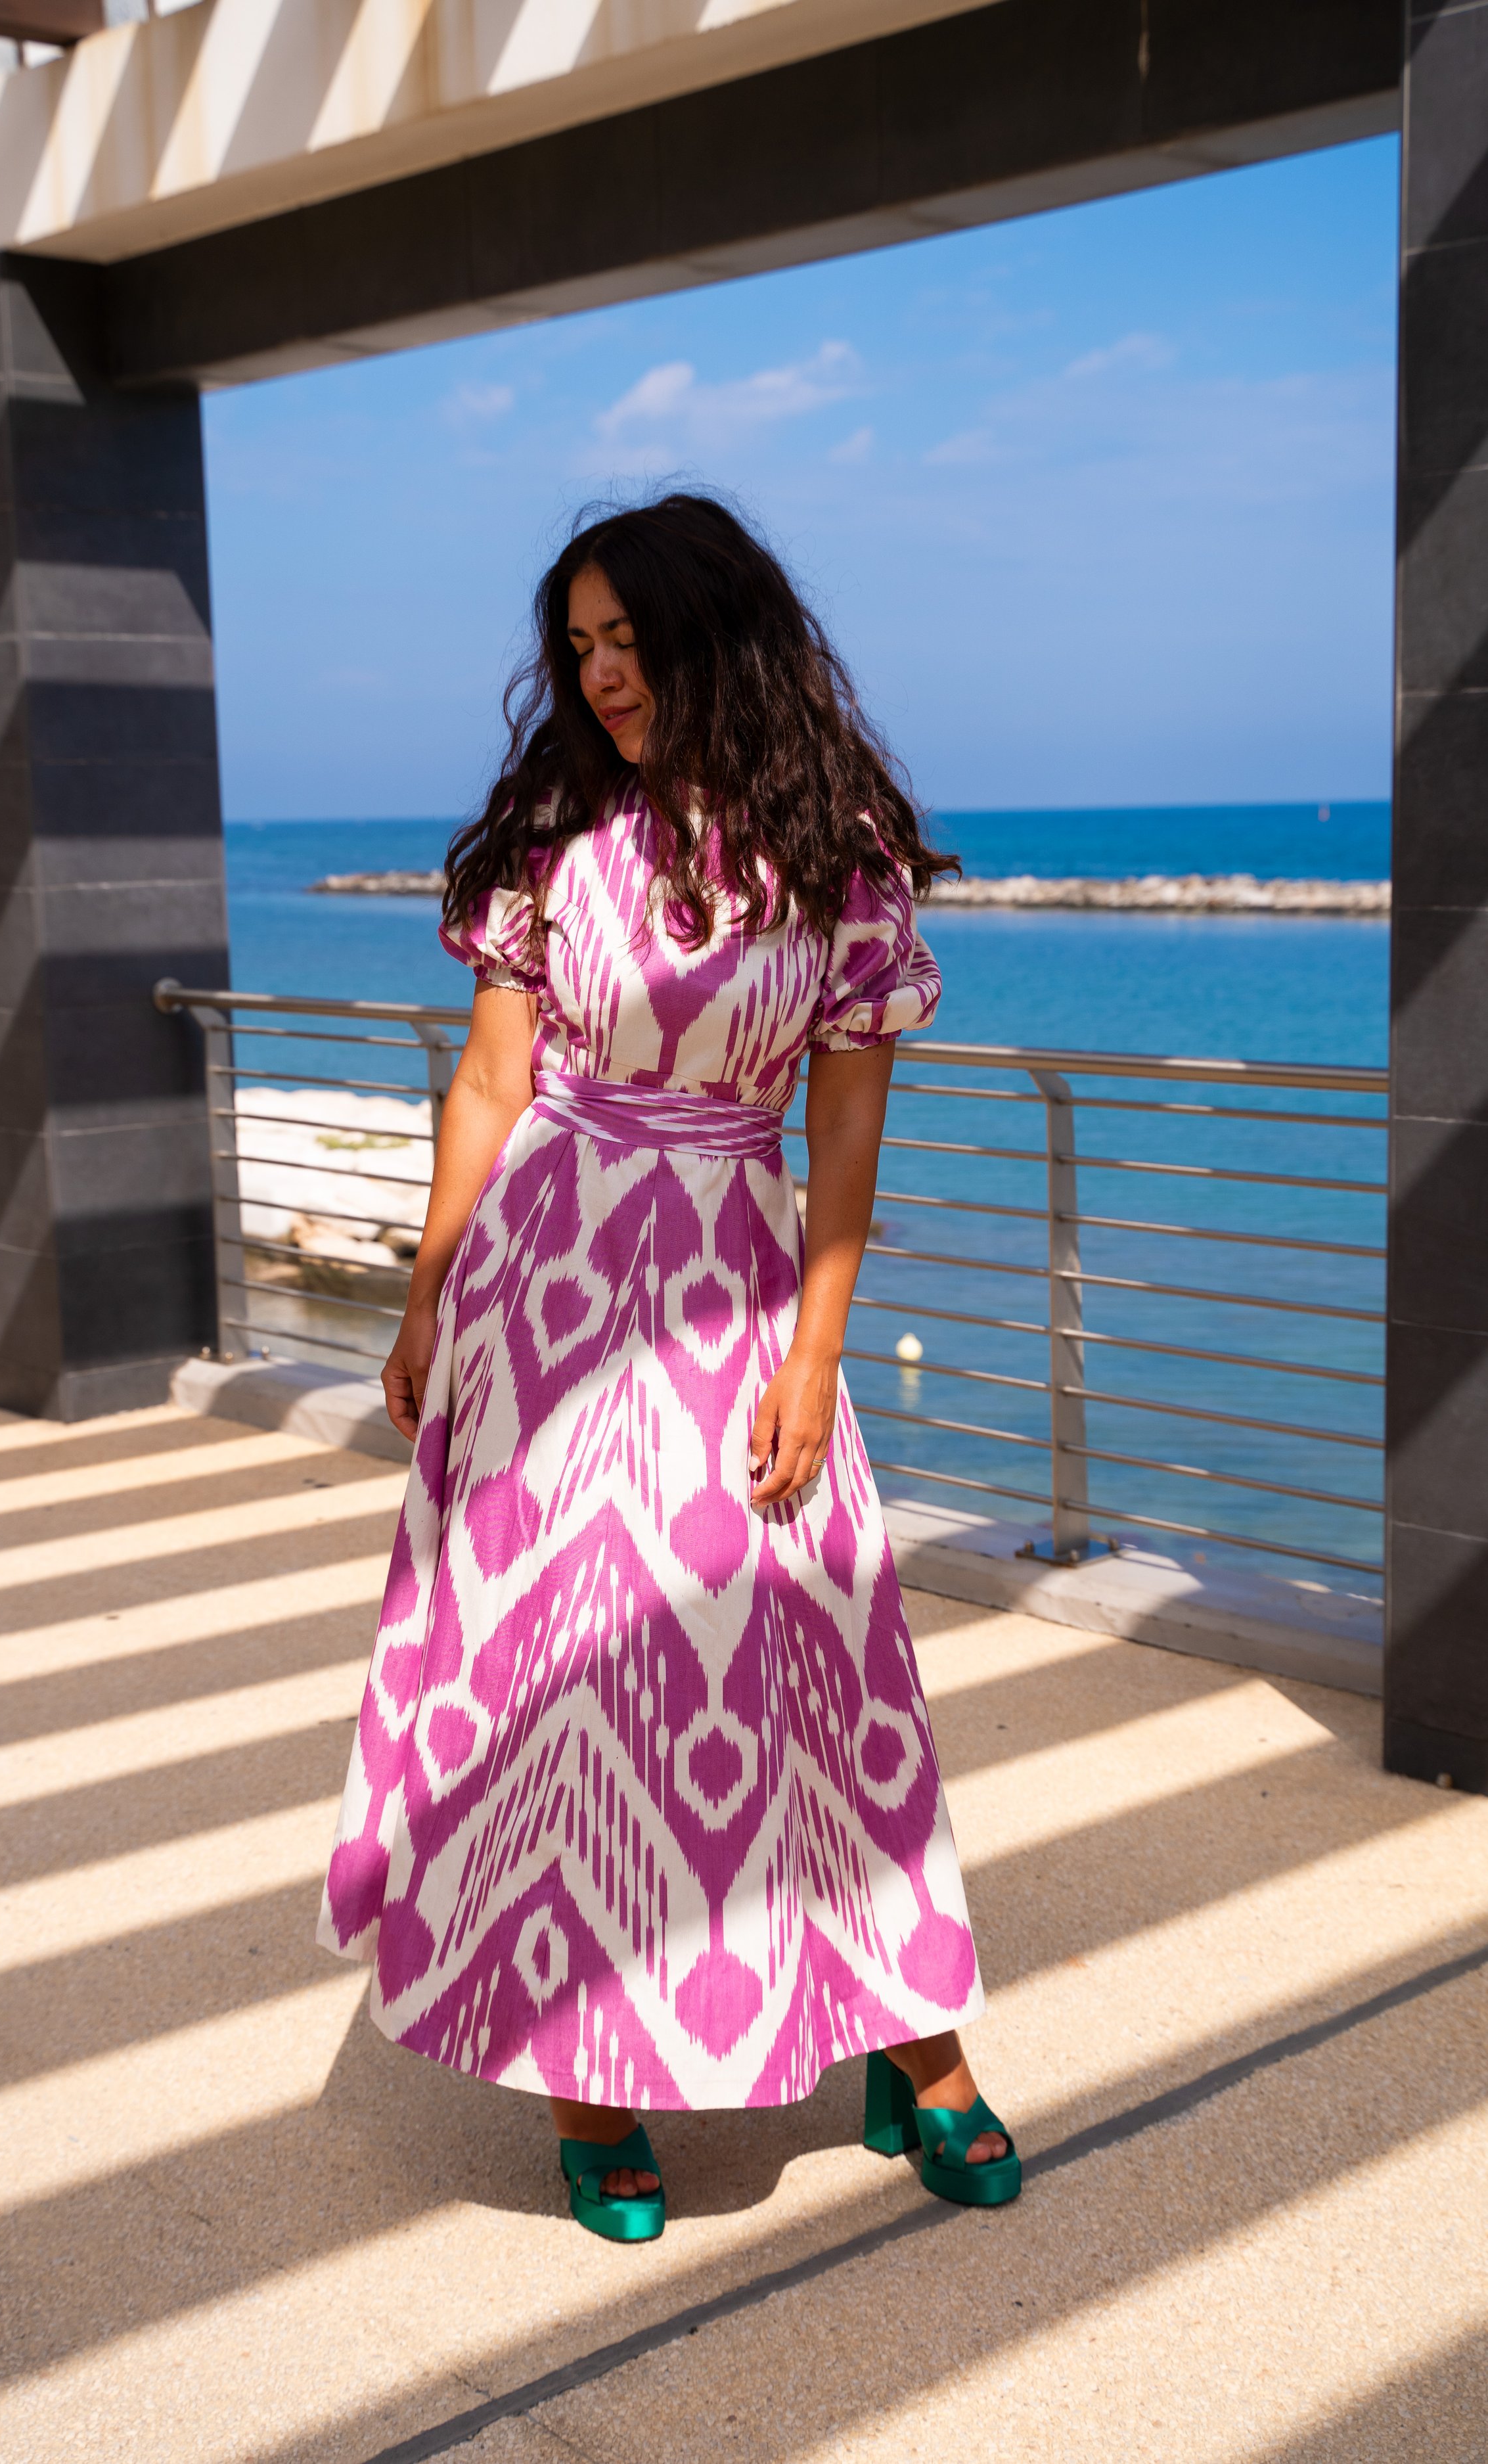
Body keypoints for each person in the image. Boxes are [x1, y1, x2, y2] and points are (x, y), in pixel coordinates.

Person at [317, 493, 1019, 2241]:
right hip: (543, 1286)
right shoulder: (558, 837)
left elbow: (848, 1118)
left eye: (628, 638)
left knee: (805, 1657)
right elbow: (488, 1087)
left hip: (731, 1267)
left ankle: (914, 2054)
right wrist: (423, 1294)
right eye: (579, 648)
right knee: (564, 1680)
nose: (602, 675)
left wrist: (815, 1351)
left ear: (717, 629)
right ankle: (590, 2086)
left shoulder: (835, 849)